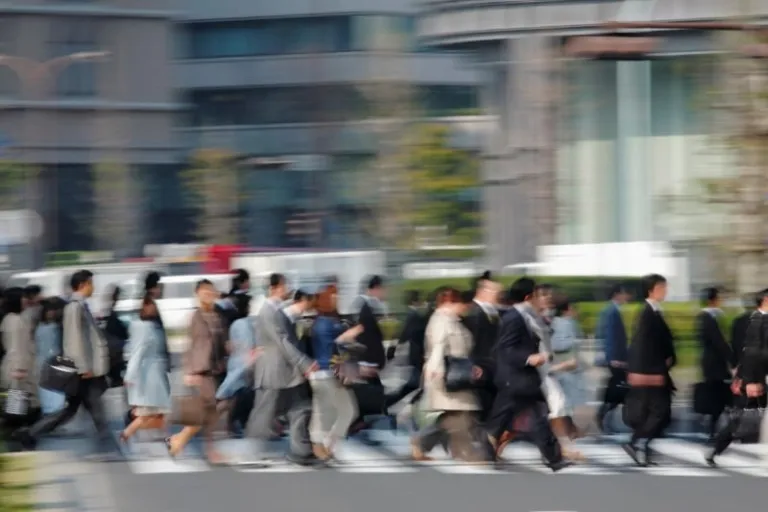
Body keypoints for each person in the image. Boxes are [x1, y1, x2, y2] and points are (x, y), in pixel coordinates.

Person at [16, 270, 114, 459]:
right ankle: (107, 445)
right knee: (94, 409)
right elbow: (74, 340)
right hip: (83, 371)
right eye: (91, 283)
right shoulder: (74, 307)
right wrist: (83, 367)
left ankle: (30, 434)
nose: (94, 287)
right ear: (83, 284)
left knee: (70, 411)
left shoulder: (80, 306)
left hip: (85, 370)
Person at [485, 277, 568, 471]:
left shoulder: (527, 315)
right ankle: (553, 458)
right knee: (509, 420)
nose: (542, 298)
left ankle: (554, 458)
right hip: (514, 377)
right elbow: (505, 349)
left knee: (535, 416)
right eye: (538, 294)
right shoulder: (514, 317)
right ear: (529, 296)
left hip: (524, 378)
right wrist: (529, 358)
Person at [246, 273, 319, 466]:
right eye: (285, 286)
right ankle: (251, 450)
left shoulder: (278, 310)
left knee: (300, 407)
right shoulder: (268, 312)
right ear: (275, 288)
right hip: (273, 371)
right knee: (264, 412)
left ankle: (301, 451)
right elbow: (282, 341)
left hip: (285, 371)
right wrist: (303, 362)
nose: (288, 290)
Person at [412, 287, 486, 463]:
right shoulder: (441, 320)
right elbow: (437, 347)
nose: (464, 307)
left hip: (457, 373)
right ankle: (464, 451)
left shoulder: (453, 321)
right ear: (449, 302)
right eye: (459, 302)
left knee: (455, 415)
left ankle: (421, 442)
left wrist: (471, 367)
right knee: (461, 415)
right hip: (446, 375)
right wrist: (434, 370)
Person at [165, 279, 229, 464]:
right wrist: (189, 371)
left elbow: (223, 341)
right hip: (201, 370)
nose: (208, 295)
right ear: (198, 294)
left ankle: (179, 439)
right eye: (204, 292)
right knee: (209, 411)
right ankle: (209, 450)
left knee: (210, 412)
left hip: (217, 369)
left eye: (211, 291)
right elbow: (189, 346)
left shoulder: (218, 315)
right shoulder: (195, 317)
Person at [706, 288, 768, 466]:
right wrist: (746, 379)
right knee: (740, 417)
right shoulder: (746, 323)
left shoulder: (740, 321)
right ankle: (716, 448)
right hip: (754, 377)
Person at [623, 273, 676, 467]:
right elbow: (641, 345)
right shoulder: (646, 313)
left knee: (657, 412)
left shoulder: (654, 311)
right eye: (662, 287)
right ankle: (637, 443)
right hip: (649, 373)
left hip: (654, 371)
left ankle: (638, 444)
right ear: (651, 290)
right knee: (659, 411)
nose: (666, 291)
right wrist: (644, 372)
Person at [309, 283, 363, 461]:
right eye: (334, 297)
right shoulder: (326, 324)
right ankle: (322, 445)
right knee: (335, 411)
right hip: (327, 373)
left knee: (334, 411)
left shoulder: (322, 322)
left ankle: (326, 445)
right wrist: (352, 333)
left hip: (325, 373)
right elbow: (338, 341)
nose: (337, 300)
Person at [120, 296, 171, 444]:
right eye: (150, 306)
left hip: (155, 373)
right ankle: (127, 433)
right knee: (151, 411)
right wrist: (130, 376)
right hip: (149, 375)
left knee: (157, 410)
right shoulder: (145, 328)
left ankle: (130, 433)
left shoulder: (153, 326)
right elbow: (137, 352)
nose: (153, 308)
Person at [216, 292, 260, 438]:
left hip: (236, 362)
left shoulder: (235, 323)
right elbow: (249, 345)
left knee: (231, 396)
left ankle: (229, 425)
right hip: (243, 364)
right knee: (231, 396)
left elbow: (231, 345)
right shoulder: (244, 324)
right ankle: (221, 423)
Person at [462, 272, 502, 422]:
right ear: (482, 290)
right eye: (495, 292)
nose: (498, 295)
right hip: (480, 369)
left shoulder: (491, 312)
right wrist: (473, 365)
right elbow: (471, 342)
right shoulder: (474, 313)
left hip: (490, 369)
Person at [695, 287, 733, 439]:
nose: (721, 301)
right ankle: (712, 427)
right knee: (718, 395)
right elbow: (719, 342)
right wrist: (733, 359)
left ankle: (712, 425)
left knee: (718, 395)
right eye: (719, 298)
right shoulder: (707, 317)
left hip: (713, 362)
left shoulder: (710, 316)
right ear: (713, 300)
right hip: (713, 363)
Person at [549, 298, 588, 439]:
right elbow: (558, 345)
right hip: (565, 367)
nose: (576, 312)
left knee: (566, 402)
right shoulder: (564, 323)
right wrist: (575, 341)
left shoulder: (561, 322)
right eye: (574, 309)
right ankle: (570, 431)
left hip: (565, 367)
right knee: (566, 401)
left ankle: (572, 429)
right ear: (567, 309)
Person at [1, 287, 39, 426]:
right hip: (17, 369)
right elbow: (16, 346)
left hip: (19, 367)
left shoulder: (12, 318)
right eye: (22, 297)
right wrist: (19, 368)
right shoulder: (15, 320)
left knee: (19, 406)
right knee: (17, 408)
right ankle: (15, 435)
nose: (25, 300)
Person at [595, 284, 629, 433]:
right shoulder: (611, 311)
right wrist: (613, 358)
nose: (627, 297)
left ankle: (604, 416)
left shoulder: (612, 310)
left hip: (617, 357)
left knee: (616, 387)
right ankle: (603, 416)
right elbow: (609, 336)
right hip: (615, 358)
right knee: (618, 388)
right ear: (617, 294)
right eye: (624, 293)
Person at [385, 290, 426, 408]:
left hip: (415, 353)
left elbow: (403, 334)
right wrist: (394, 346)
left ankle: (393, 401)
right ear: (415, 301)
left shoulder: (410, 315)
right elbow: (405, 333)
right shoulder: (414, 316)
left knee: (416, 383)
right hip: (418, 353)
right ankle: (390, 402)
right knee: (415, 383)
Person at [35, 298, 66, 416]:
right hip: (44, 362)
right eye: (49, 311)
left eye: (53, 310)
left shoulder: (56, 327)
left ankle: (54, 415)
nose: (51, 313)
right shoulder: (42, 327)